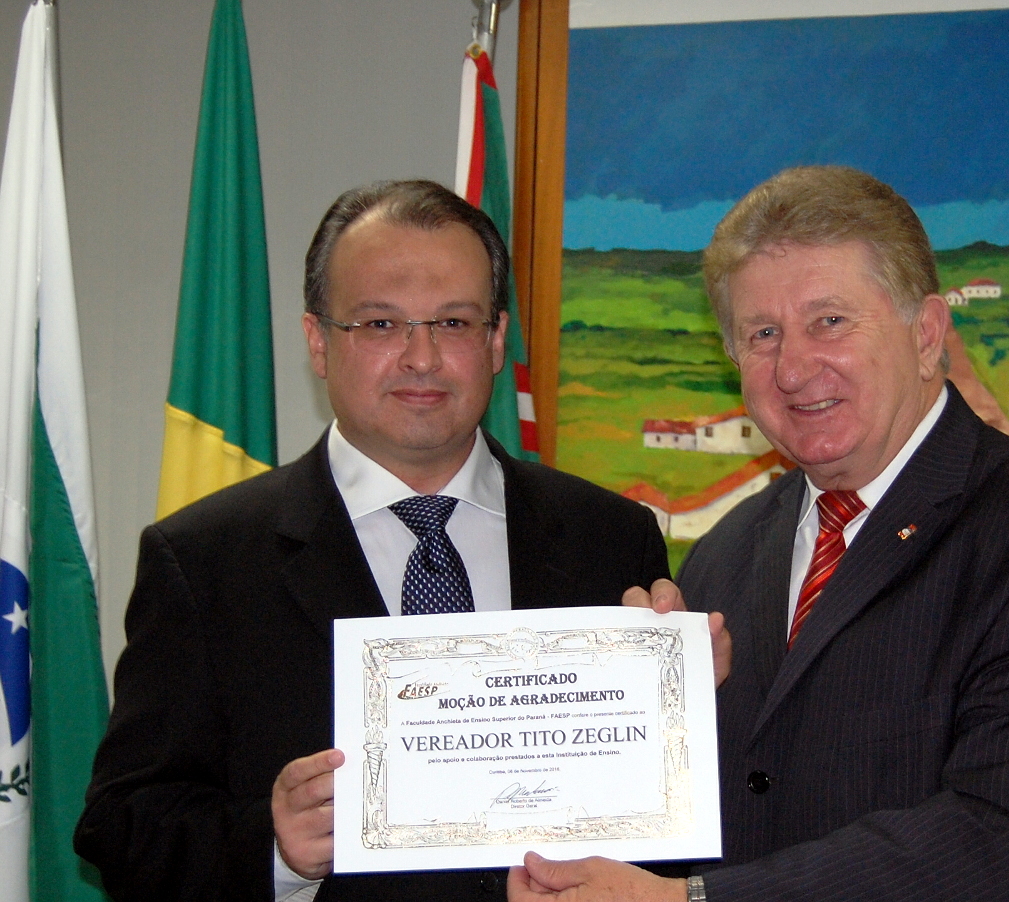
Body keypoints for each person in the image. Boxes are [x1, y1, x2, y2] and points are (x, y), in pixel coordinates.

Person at [508, 166, 1009, 902]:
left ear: (926, 335)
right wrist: (644, 722)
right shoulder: (725, 554)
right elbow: (730, 812)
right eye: (763, 334)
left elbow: (1003, 842)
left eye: (829, 321)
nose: (793, 368)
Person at [75, 180, 684, 902]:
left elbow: (665, 824)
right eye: (379, 325)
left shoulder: (611, 538)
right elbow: (123, 828)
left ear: (495, 341)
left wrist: (684, 699)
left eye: (453, 322)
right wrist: (274, 847)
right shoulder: (205, 559)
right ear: (318, 342)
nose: (420, 357)